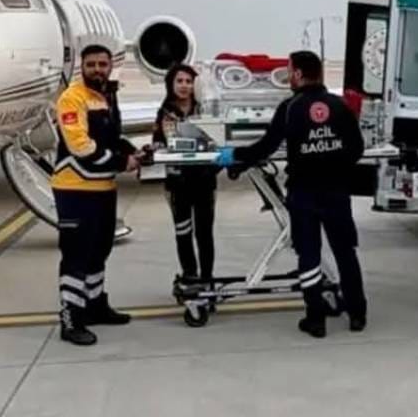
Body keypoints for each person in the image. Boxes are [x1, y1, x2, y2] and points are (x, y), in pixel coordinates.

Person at [218, 50, 367, 338]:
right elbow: (356, 148)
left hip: (304, 192)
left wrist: (235, 156)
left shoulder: (290, 108)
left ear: (298, 74)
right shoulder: (339, 106)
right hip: (336, 191)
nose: (288, 77)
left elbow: (266, 147)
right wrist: (335, 166)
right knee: (345, 252)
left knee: (308, 254)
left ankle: (316, 319)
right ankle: (357, 314)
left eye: (289, 71)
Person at [51, 44, 141, 346]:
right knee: (76, 255)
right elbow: (80, 146)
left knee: (99, 251)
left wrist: (133, 151)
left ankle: (95, 306)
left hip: (103, 188)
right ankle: (71, 319)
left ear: (110, 66)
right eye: (91, 65)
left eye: (102, 64)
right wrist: (122, 162)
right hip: (75, 189)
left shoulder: (105, 97)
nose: (97, 70)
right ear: (82, 66)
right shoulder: (72, 98)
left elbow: (111, 138)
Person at [151, 63, 220, 291]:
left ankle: (207, 280)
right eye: (179, 81)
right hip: (177, 183)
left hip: (204, 181)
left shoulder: (205, 111)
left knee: (204, 234)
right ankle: (190, 277)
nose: (184, 86)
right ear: (171, 85)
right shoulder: (164, 112)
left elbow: (217, 141)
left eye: (189, 81)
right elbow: (157, 142)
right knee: (183, 232)